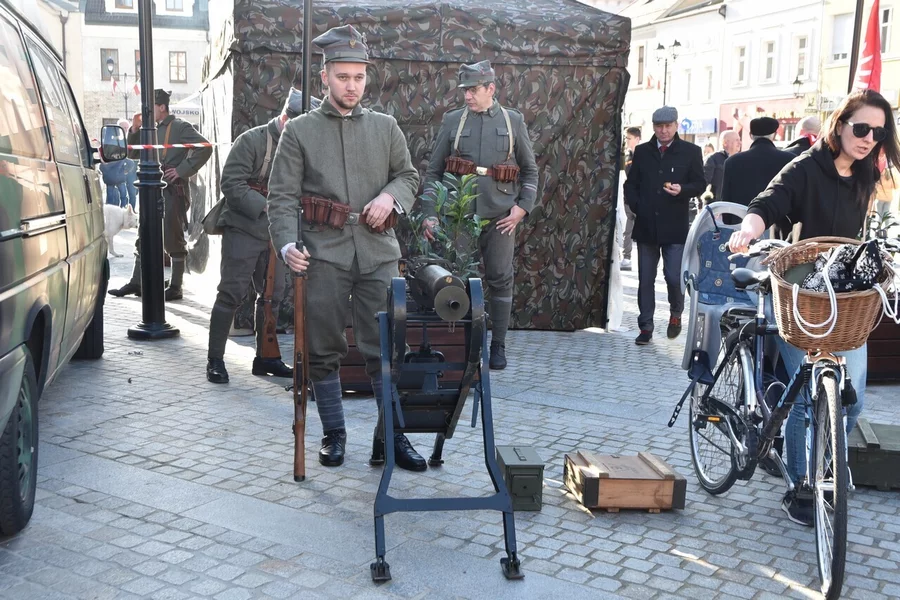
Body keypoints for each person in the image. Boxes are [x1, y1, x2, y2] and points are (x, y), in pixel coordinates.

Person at [728, 89, 900, 526]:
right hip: (798, 294)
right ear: (840, 125)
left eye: (878, 133)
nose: (868, 138)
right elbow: (766, 203)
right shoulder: (806, 167)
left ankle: (826, 466)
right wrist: (748, 230)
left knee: (851, 400)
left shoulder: (866, 173)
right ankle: (801, 488)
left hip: (846, 298)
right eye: (861, 128)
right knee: (807, 396)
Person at [266, 25, 422, 470]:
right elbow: (281, 197)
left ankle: (389, 436)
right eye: (343, 77)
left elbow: (408, 175)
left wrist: (391, 196)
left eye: (359, 77)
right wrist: (287, 244)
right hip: (323, 253)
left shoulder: (385, 127)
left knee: (387, 345)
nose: (352, 86)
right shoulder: (300, 131)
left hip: (378, 251)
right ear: (325, 78)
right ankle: (334, 431)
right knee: (322, 347)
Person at [422, 60, 539, 369]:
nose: (467, 96)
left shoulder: (512, 121)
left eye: (473, 90)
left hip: (501, 215)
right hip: (459, 214)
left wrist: (522, 208)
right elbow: (433, 172)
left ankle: (497, 344)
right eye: (465, 90)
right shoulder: (453, 121)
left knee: (500, 278)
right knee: (455, 278)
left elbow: (530, 171)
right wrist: (430, 213)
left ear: (491, 89)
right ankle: (459, 347)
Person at [206, 88, 319, 384]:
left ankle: (266, 358)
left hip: (278, 232)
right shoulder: (252, 141)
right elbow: (231, 183)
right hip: (245, 226)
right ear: (285, 119)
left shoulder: (302, 147)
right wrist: (269, 206)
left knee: (273, 295)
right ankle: (215, 359)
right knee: (231, 292)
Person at [109, 89, 212, 301]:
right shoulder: (150, 130)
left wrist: (182, 170)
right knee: (143, 235)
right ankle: (137, 282)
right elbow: (132, 153)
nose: (147, 111)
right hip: (150, 189)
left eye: (151, 107)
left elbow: (205, 147)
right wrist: (134, 129)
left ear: (162, 107)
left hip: (172, 191)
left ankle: (176, 286)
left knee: (172, 238)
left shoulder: (180, 127)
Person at [624, 106, 705, 345]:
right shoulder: (642, 151)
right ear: (654, 127)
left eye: (668, 126)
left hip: (674, 226)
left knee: (673, 276)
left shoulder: (691, 151)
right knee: (645, 279)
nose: (664, 130)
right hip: (646, 225)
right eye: (659, 126)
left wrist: (683, 190)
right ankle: (645, 326)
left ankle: (676, 313)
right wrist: (637, 206)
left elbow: (700, 183)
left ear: (676, 125)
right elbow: (631, 184)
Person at [721, 117, 795, 208]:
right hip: (776, 216)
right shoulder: (790, 160)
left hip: (740, 216)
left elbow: (726, 200)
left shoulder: (732, 162)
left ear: (750, 135)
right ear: (774, 135)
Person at [620, 126, 641, 271]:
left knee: (644, 230)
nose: (627, 140)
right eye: (626, 138)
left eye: (629, 138)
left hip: (641, 198)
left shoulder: (644, 155)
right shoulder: (627, 155)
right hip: (628, 198)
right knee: (627, 230)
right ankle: (626, 257)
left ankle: (650, 257)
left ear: (637, 139)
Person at [702, 130, 740, 205]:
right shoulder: (712, 159)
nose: (740, 143)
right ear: (725, 142)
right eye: (736, 140)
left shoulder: (740, 160)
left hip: (734, 206)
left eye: (739, 140)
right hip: (716, 206)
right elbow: (701, 184)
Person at [118, 118, 138, 209]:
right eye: (123, 127)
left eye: (127, 127)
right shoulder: (116, 141)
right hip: (120, 169)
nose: (126, 129)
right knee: (122, 194)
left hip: (132, 168)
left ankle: (131, 210)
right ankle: (122, 210)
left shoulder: (132, 138)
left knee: (133, 192)